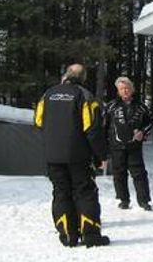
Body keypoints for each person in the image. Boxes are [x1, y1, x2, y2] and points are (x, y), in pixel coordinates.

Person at [34, 64, 110, 247]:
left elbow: (37, 122)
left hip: (53, 156)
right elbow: (92, 129)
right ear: (83, 78)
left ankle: (68, 235)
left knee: (61, 193)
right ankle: (90, 236)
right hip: (78, 156)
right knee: (85, 192)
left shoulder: (48, 94)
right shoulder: (84, 96)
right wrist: (101, 156)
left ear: (65, 75)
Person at [104, 77, 153, 211]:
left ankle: (144, 201)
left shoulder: (141, 107)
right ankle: (123, 199)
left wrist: (142, 132)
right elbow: (104, 126)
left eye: (127, 88)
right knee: (119, 174)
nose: (125, 91)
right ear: (118, 91)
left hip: (134, 147)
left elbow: (150, 123)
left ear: (132, 89)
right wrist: (104, 149)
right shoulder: (111, 106)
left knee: (139, 174)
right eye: (121, 89)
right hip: (116, 146)